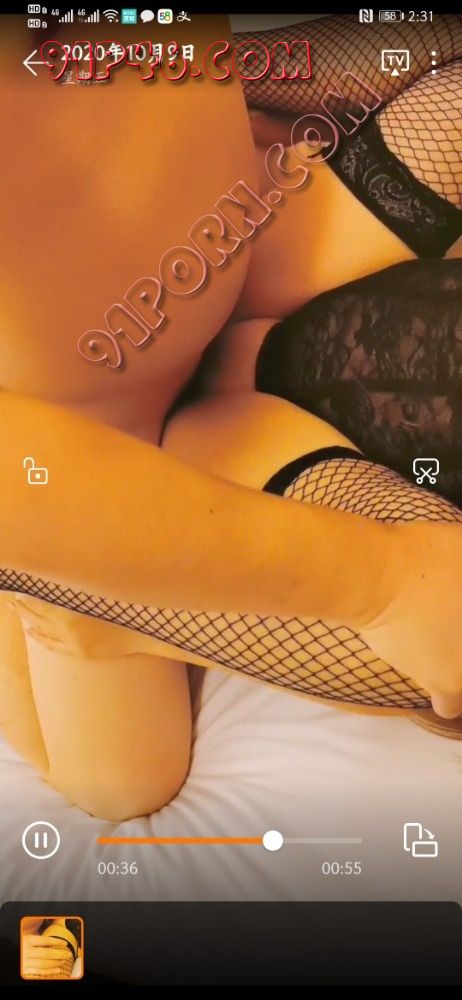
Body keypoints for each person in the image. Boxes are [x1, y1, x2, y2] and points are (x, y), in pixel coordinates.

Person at [0, 14, 461, 822]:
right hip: (103, 443)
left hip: (243, 226)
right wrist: (383, 584)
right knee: (121, 780)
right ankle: (62, 600)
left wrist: (228, 78)